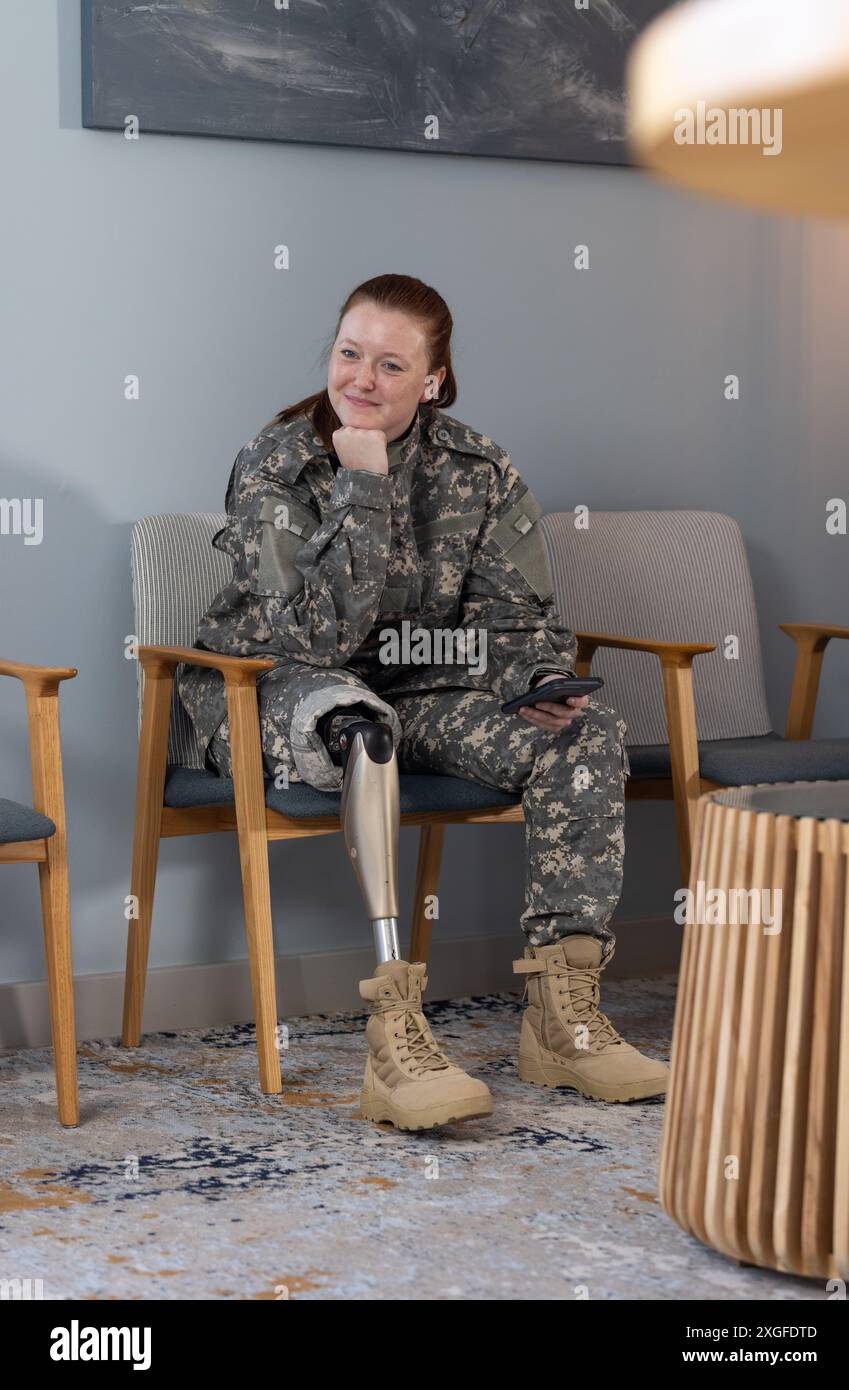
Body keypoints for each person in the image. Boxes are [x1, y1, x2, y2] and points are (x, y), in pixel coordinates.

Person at [178, 273, 669, 1131]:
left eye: (391, 365)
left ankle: (563, 1015)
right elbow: (313, 639)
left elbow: (516, 611)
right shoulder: (278, 462)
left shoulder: (476, 467)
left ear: (435, 379)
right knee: (364, 724)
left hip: (423, 682)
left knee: (581, 737)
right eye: (349, 354)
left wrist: (534, 684)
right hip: (274, 687)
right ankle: (393, 1025)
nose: (361, 380)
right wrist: (362, 483)